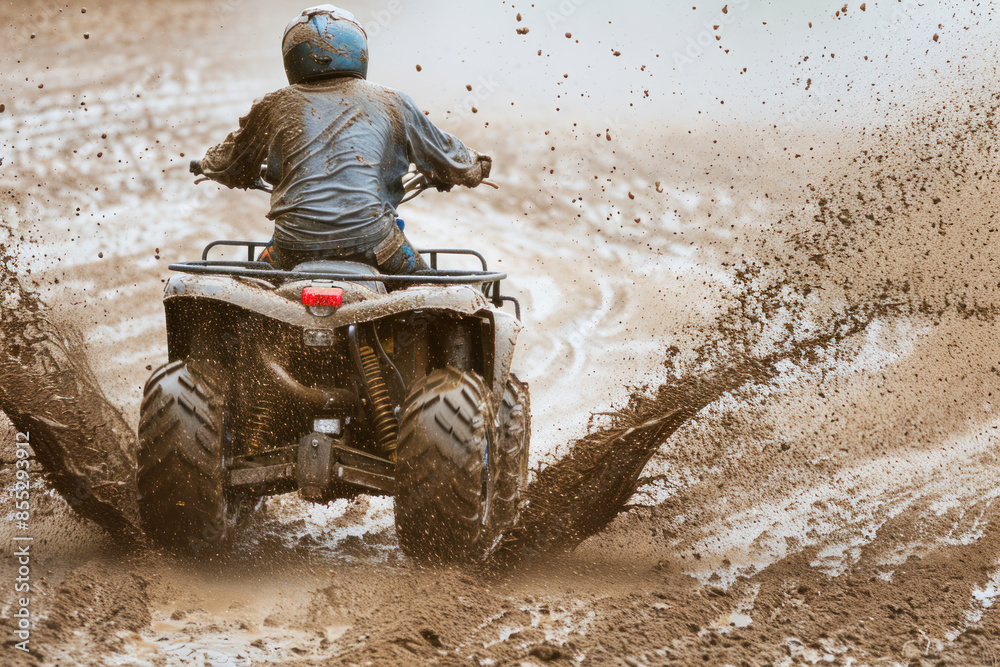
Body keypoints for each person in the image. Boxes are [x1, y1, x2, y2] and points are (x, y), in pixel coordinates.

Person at [189, 5, 492, 274]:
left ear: (291, 57)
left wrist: (206, 165)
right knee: (431, 295)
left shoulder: (272, 105)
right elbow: (448, 157)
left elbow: (233, 159)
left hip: (291, 245)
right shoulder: (392, 102)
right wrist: (476, 166)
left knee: (250, 292)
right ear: (358, 51)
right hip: (376, 242)